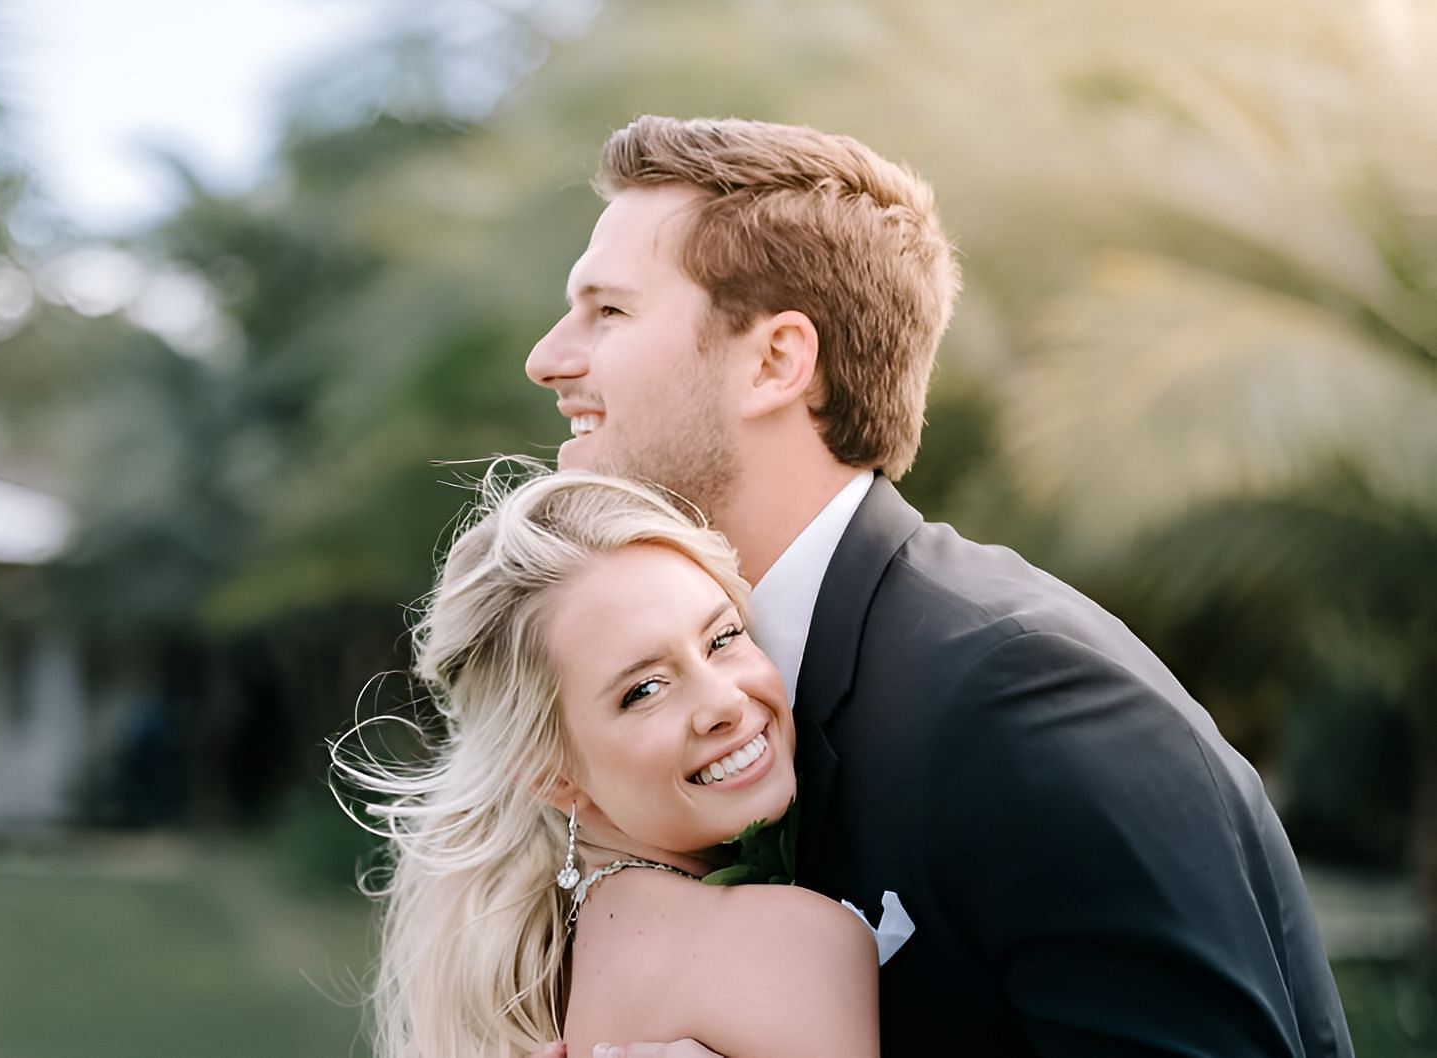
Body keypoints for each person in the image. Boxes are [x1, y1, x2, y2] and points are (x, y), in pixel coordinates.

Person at [523, 115, 1353, 1056]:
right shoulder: (754, 695)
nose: (548, 358)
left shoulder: (1019, 700)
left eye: (609, 311)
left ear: (775, 363)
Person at [332, 468, 881, 1057]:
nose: (724, 702)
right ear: (552, 776)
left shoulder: (550, 980)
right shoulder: (787, 942)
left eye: (722, 638)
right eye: (644, 690)